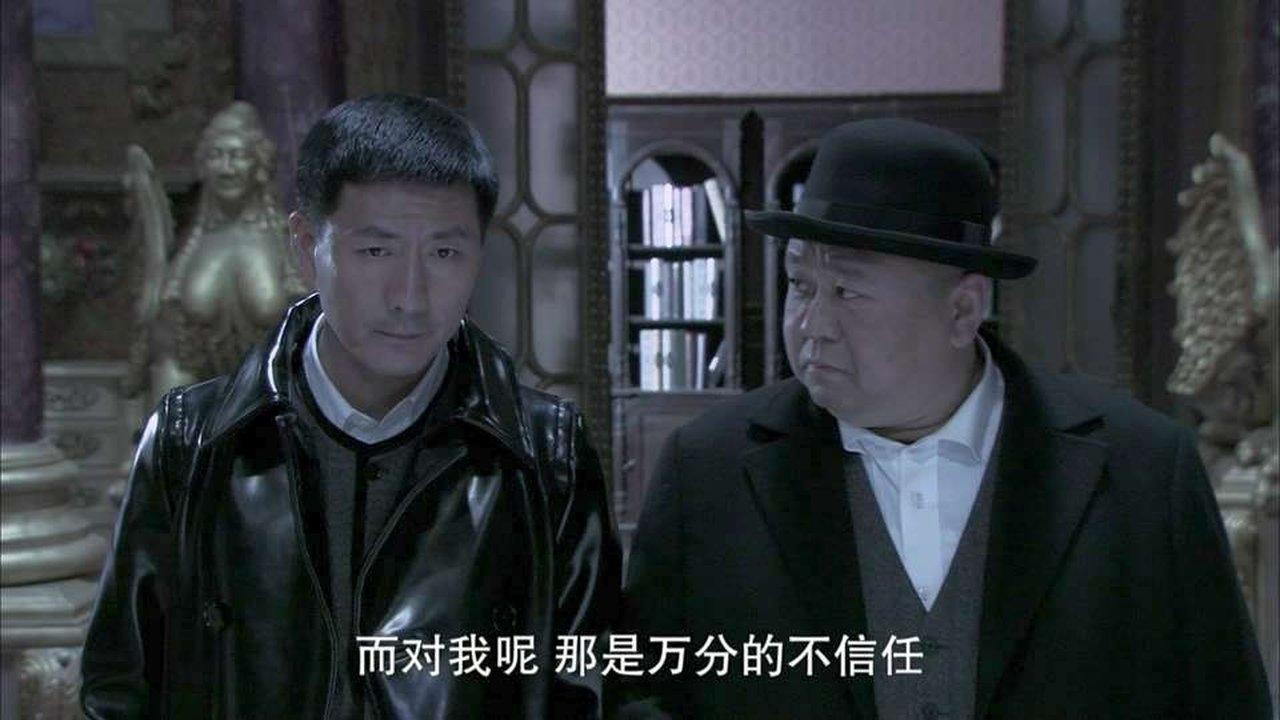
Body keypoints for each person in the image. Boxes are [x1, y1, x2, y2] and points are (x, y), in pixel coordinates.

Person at [613, 119, 1272, 719]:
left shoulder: (1144, 470)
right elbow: (644, 695)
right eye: (800, 285)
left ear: (962, 310)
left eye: (847, 291)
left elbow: (1222, 698)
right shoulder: (708, 470)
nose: (811, 325)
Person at [83, 93, 621, 719]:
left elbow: (588, 686)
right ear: (304, 247)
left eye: (445, 253)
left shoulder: (544, 453)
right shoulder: (192, 440)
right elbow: (120, 686)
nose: (410, 297)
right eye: (376, 251)